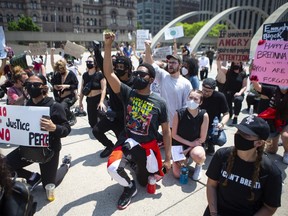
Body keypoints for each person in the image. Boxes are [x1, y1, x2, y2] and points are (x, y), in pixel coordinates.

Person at [104, 32, 171, 210]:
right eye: (137, 73)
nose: (138, 77)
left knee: (146, 181)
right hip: (126, 140)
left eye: (142, 75)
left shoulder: (159, 103)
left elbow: (166, 132)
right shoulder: (128, 93)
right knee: (112, 168)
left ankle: (138, 168)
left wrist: (168, 159)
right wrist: (108, 46)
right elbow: (109, 72)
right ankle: (129, 187)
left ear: (151, 79)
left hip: (147, 147)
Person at [5, 74, 72, 191]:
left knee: (49, 185)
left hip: (49, 150)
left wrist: (54, 127)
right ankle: (33, 177)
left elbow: (66, 129)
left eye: (35, 85)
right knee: (3, 167)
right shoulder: (27, 103)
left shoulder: (55, 106)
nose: (31, 87)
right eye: (28, 84)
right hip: (28, 147)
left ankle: (65, 165)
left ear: (44, 87)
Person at [205, 116, 282, 216]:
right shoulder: (222, 155)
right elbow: (211, 185)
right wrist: (214, 213)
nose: (240, 136)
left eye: (246, 135)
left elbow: (270, 207)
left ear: (259, 142)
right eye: (239, 131)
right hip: (217, 211)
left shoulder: (271, 172)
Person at [92, 42, 134, 158]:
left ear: (128, 69)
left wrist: (118, 114)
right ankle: (109, 146)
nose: (117, 70)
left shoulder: (133, 83)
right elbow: (103, 65)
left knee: (126, 147)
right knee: (96, 131)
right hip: (111, 116)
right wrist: (97, 51)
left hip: (125, 119)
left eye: (121, 67)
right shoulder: (112, 78)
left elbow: (133, 107)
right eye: (116, 67)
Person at [144, 40, 192, 128]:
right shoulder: (163, 76)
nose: (170, 64)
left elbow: (186, 106)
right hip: (162, 123)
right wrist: (148, 47)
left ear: (180, 65)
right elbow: (150, 63)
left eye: (174, 62)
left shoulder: (186, 84)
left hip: (177, 125)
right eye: (169, 62)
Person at [171, 90, 208, 181]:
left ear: (201, 102)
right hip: (180, 143)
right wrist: (189, 144)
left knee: (198, 155)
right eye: (190, 98)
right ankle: (183, 160)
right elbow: (174, 135)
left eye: (196, 99)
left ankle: (199, 165)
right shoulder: (179, 113)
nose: (192, 101)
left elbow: (202, 138)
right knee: (177, 175)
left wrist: (189, 148)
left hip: (196, 144)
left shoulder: (204, 115)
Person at [251, 80, 288, 164]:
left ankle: (287, 151)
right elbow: (258, 87)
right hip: (273, 120)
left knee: (286, 136)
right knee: (272, 150)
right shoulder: (274, 90)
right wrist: (254, 76)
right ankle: (273, 145)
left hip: (286, 121)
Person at [200, 78, 230, 155]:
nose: (205, 93)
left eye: (209, 91)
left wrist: (222, 123)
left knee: (221, 140)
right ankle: (203, 142)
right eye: (204, 90)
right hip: (199, 125)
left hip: (214, 125)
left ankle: (210, 143)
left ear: (214, 90)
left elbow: (226, 114)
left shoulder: (220, 97)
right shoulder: (198, 95)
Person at [79, 55, 107, 128]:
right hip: (89, 100)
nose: (88, 63)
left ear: (95, 64)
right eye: (87, 62)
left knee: (102, 115)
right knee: (92, 123)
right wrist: (80, 102)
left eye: (90, 62)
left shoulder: (100, 75)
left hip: (98, 98)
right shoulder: (85, 75)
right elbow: (82, 89)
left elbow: (103, 89)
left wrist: (101, 102)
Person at [51, 59, 79, 126]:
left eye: (61, 70)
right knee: (56, 108)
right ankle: (65, 118)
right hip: (59, 97)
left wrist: (67, 86)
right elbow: (53, 82)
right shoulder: (57, 75)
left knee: (62, 107)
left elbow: (75, 85)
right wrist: (55, 86)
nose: (60, 72)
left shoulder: (71, 74)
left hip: (70, 96)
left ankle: (72, 116)